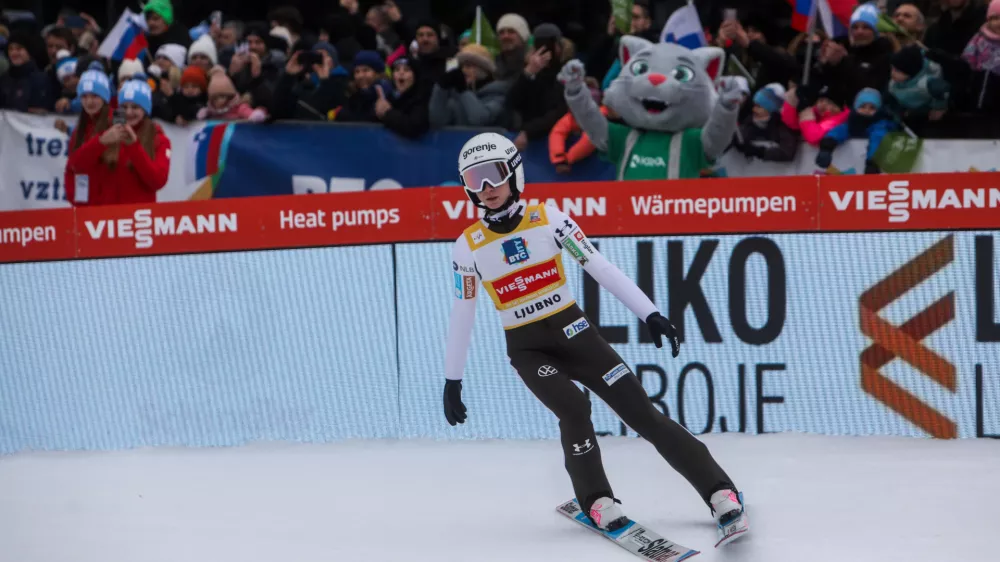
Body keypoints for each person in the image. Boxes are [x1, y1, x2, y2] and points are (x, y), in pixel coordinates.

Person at [442, 132, 750, 548]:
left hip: (577, 334)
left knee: (641, 412)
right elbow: (464, 313)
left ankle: (719, 491)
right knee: (573, 406)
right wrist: (453, 379)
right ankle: (598, 500)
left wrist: (651, 313)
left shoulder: (549, 219)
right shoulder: (468, 246)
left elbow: (600, 268)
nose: (485, 189)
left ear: (514, 173)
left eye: (493, 175)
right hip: (529, 349)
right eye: (474, 179)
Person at [65, 73, 171, 206]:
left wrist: (134, 147)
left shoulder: (159, 139)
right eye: (124, 107)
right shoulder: (109, 131)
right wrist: (100, 142)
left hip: (138, 217)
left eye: (135, 107)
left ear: (145, 110)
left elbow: (157, 181)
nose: (129, 112)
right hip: (106, 216)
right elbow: (77, 165)